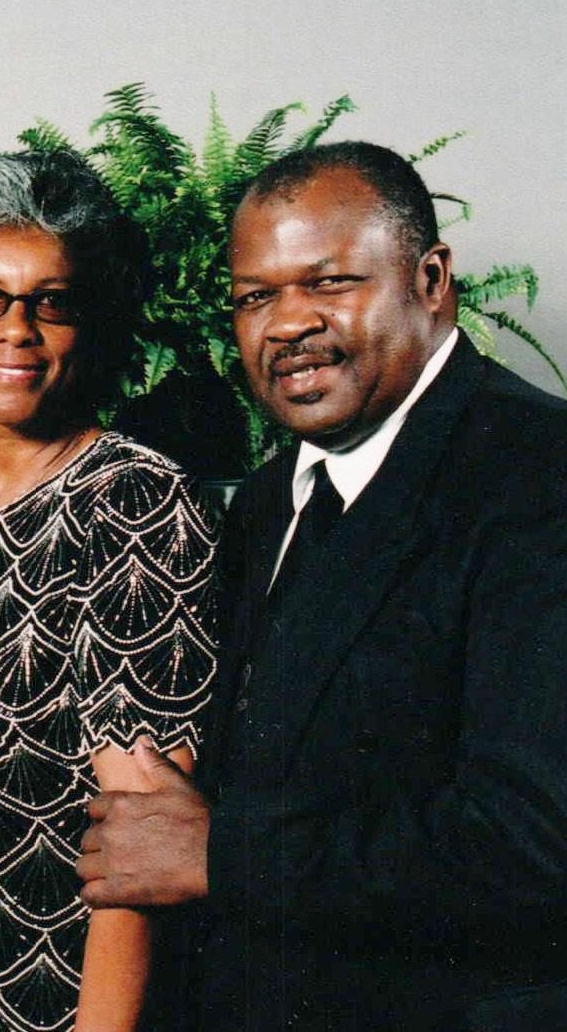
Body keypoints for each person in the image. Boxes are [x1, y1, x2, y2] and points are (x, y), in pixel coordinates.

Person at [76, 141, 567, 1029]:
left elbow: (536, 839)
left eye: (329, 282)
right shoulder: (270, 499)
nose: (286, 323)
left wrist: (225, 855)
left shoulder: (538, 474)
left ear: (430, 280)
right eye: (255, 296)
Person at [0, 151, 220, 1032]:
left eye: (51, 302)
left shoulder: (134, 503)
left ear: (90, 326)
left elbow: (139, 848)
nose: (14, 329)